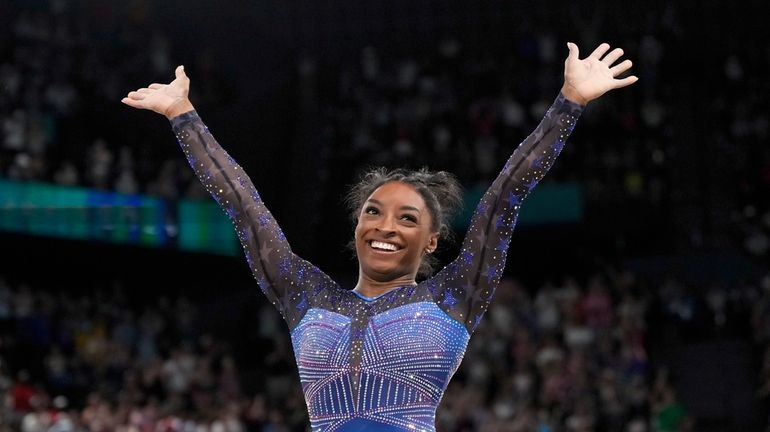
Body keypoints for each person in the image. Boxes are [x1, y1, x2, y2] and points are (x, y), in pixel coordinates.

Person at [122, 42, 637, 431]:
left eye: (408, 219)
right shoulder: (306, 296)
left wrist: (568, 103)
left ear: (433, 241)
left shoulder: (455, 296)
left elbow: (506, 195)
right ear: (357, 226)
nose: (386, 226)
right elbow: (244, 207)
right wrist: (182, 116)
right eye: (374, 212)